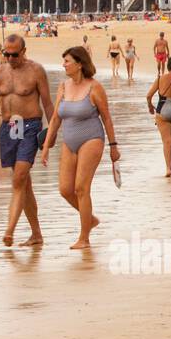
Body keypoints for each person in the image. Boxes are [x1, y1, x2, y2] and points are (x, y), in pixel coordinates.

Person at [0, 34, 54, 247]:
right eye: (6, 54)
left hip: (29, 126)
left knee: (18, 179)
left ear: (24, 51)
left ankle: (9, 230)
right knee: (24, 183)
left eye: (14, 54)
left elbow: (47, 103)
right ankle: (37, 234)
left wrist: (51, 132)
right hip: (9, 128)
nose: (9, 58)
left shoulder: (36, 71)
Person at [41, 47, 118, 248]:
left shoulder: (95, 87)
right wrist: (47, 145)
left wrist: (113, 146)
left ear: (79, 64)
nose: (63, 64)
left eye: (67, 61)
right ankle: (90, 219)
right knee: (66, 189)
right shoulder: (63, 86)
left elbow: (107, 118)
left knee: (81, 188)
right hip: (69, 140)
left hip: (91, 139)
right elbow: (56, 118)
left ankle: (84, 238)